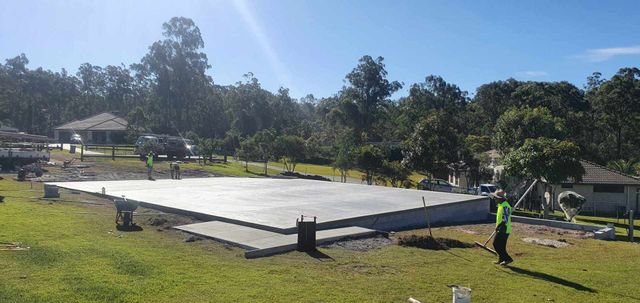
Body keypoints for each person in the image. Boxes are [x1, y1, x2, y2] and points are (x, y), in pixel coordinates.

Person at [492, 189, 513, 266]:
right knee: (501, 246)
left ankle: (508, 258)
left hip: (504, 229)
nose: (494, 199)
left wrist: (498, 226)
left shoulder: (505, 205)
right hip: (501, 228)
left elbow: (505, 219)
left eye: (496, 198)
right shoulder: (501, 205)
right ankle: (501, 260)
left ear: (500, 198)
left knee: (495, 244)